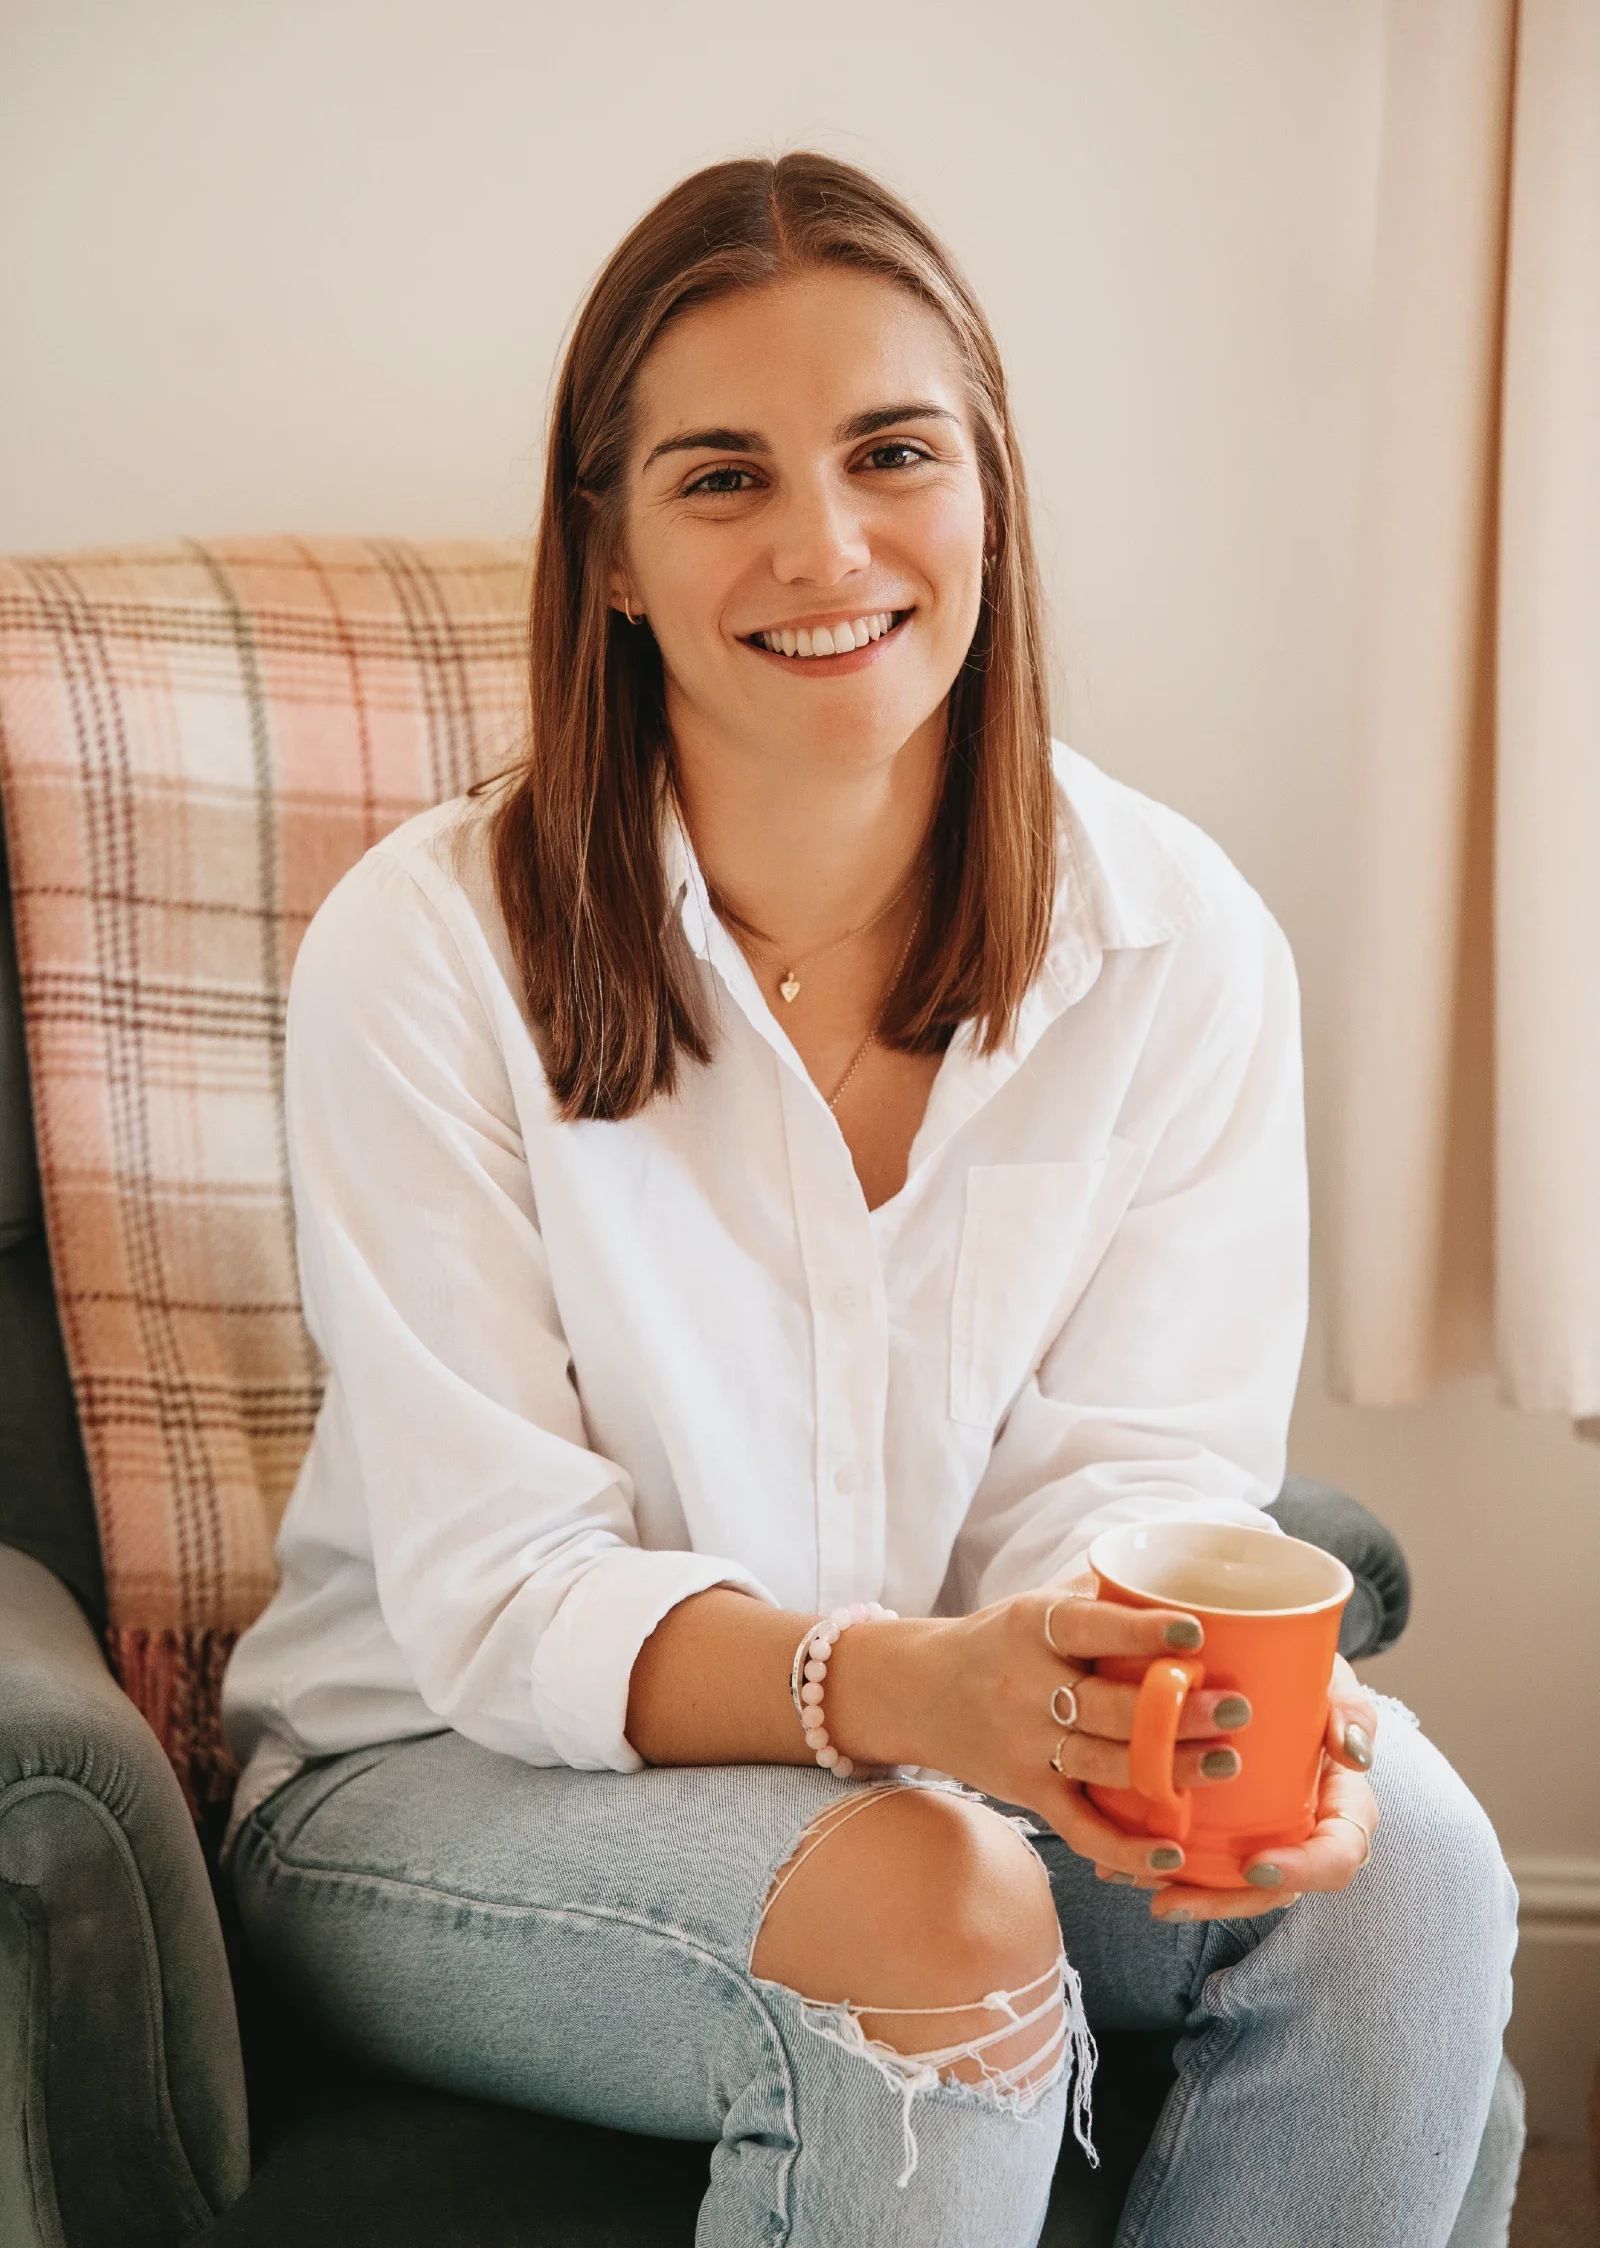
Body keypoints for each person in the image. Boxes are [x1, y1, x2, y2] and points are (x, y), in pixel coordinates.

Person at [222, 153, 1520, 2248]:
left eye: (890, 451)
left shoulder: (1179, 941)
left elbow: (1123, 1484)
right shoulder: (425, 947)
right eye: (720, 476)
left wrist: (1177, 1727)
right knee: (933, 1901)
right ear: (614, 556)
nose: (824, 544)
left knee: (1411, 1866)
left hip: (965, 1761)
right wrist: (908, 1695)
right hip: (448, 1780)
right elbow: (494, 1591)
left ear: (987, 489)